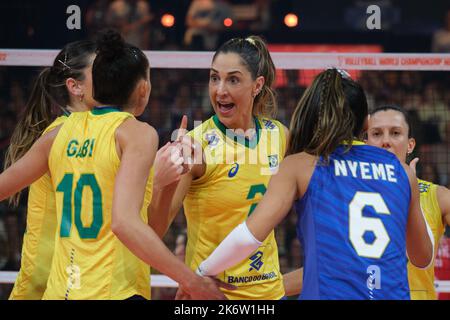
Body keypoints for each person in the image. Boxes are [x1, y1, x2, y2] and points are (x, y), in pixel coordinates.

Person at [0, 30, 226, 300]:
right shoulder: (137, 134)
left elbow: (146, 228)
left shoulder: (58, 132)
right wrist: (193, 282)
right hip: (113, 291)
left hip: (60, 293)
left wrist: (168, 181)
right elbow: (123, 223)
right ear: (144, 89)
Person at [194, 69, 434, 300]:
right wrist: (410, 191)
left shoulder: (299, 166)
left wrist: (200, 275)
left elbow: (248, 237)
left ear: (312, 117)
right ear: (366, 123)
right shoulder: (403, 173)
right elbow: (422, 257)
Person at [149, 36, 288, 300]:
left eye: (233, 80)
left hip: (270, 294)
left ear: (257, 85)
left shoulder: (279, 135)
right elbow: (154, 231)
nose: (220, 90)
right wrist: (162, 180)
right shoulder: (195, 145)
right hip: (212, 296)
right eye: (215, 78)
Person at [4, 40, 98, 299]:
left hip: (73, 273)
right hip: (41, 274)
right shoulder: (59, 135)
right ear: (75, 86)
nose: (110, 77)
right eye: (100, 71)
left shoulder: (96, 129)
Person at [366, 105, 450, 299]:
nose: (386, 141)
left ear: (410, 145)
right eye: (377, 134)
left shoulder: (437, 196)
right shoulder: (344, 193)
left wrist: (409, 191)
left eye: (395, 133)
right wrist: (279, 286)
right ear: (365, 143)